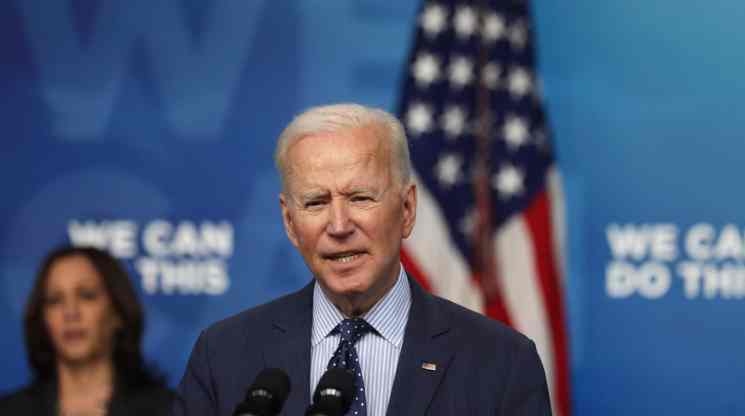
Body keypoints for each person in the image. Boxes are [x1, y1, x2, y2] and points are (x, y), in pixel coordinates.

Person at [173, 104, 552, 415]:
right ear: (290, 223)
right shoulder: (224, 356)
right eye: (316, 202)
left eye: (360, 198)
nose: (338, 225)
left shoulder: (501, 363)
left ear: (406, 210)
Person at [0, 246, 174, 415]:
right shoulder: (10, 411)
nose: (70, 312)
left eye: (86, 295)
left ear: (117, 313)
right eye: (55, 300)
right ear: (43, 319)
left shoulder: (171, 410)